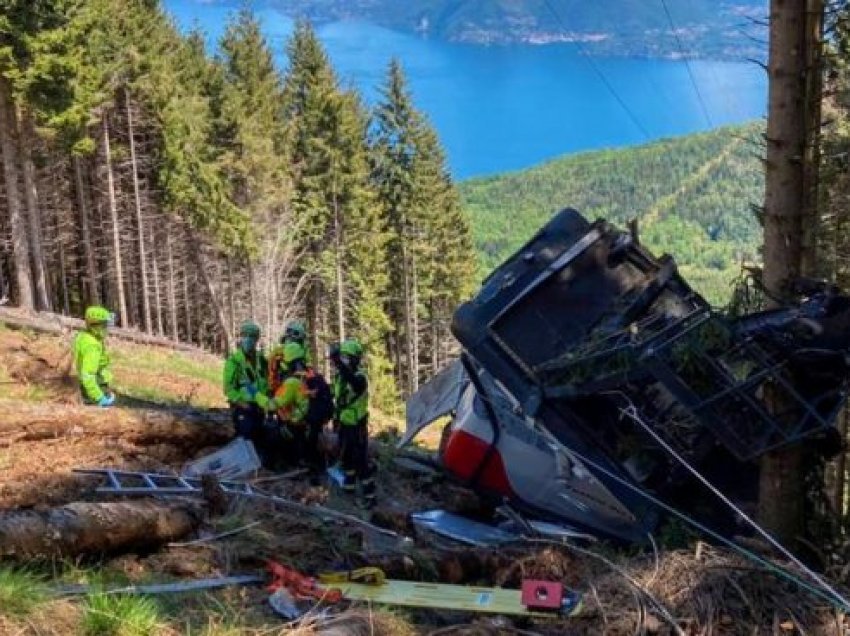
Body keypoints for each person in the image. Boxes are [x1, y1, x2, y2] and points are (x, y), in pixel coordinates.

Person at [270, 341, 333, 472]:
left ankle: (295, 464)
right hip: (314, 423)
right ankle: (309, 462)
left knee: (273, 433)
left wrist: (259, 396)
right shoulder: (313, 375)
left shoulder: (293, 381)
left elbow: (276, 403)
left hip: (299, 425)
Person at [330, 337, 375, 506]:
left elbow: (354, 384)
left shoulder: (359, 377)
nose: (344, 361)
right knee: (347, 458)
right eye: (343, 357)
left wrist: (338, 363)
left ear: (355, 359)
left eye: (347, 358)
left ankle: (370, 496)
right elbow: (337, 397)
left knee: (360, 461)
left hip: (357, 426)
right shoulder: (339, 378)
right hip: (343, 424)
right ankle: (348, 487)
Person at [223, 321, 272, 460]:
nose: (249, 339)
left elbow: (266, 382)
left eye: (252, 336)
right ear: (241, 337)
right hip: (243, 407)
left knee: (260, 439)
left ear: (257, 339)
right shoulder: (234, 361)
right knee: (245, 438)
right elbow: (228, 388)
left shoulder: (261, 360)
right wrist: (240, 402)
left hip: (259, 407)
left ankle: (259, 468)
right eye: (246, 335)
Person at [74, 305, 116, 407]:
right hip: (96, 387)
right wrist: (99, 397)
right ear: (96, 326)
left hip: (91, 386)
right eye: (105, 325)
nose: (107, 329)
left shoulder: (84, 336)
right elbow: (88, 374)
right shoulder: (92, 346)